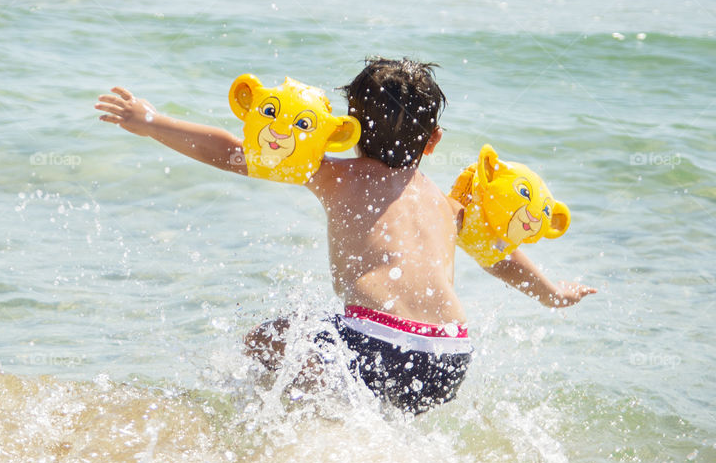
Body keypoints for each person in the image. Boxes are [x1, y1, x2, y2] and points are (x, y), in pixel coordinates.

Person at [95, 57, 596, 414]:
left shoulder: (334, 175)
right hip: (449, 356)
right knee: (370, 405)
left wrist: (152, 122)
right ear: (434, 141)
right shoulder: (448, 205)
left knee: (266, 341)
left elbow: (231, 152)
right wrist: (551, 293)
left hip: (376, 341)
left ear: (345, 128)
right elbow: (497, 255)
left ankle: (251, 431)